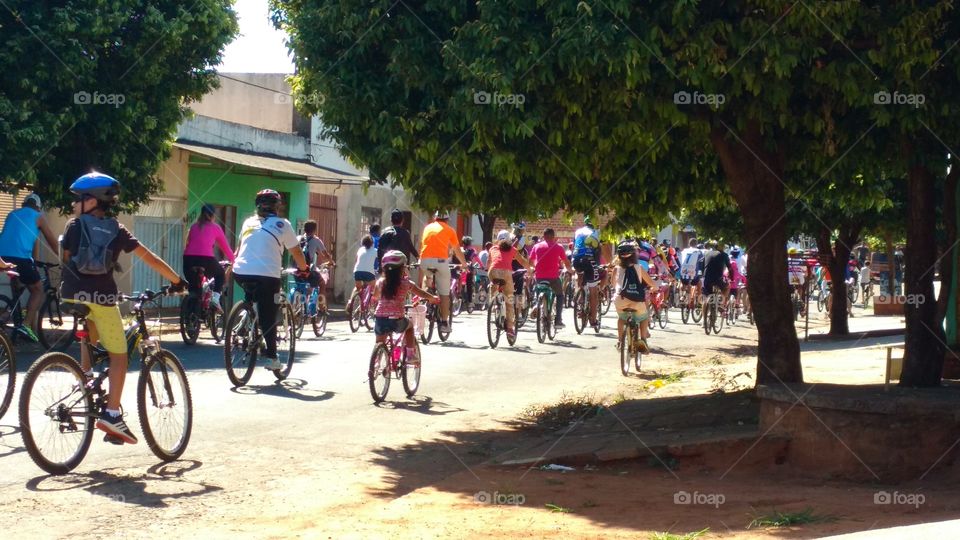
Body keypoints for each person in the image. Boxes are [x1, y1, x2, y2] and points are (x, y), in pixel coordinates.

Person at [60, 172, 187, 444]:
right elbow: (149, 257)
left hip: (71, 295)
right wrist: (176, 280)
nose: (74, 204)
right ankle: (112, 413)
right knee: (119, 357)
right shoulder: (117, 230)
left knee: (89, 332)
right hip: (103, 298)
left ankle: (85, 381)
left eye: (79, 199)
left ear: (93, 201)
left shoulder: (73, 226)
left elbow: (66, 260)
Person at [232, 189, 310, 371]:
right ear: (277, 206)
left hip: (240, 272)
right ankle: (272, 358)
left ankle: (246, 315)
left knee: (253, 294)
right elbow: (296, 252)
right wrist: (304, 269)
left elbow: (238, 249)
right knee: (268, 314)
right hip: (268, 276)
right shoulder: (283, 224)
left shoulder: (248, 222)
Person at [0, 193, 59, 341]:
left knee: (20, 284)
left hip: (2, 257)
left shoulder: (12, 214)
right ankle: (25, 325)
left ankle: (11, 315)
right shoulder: (39, 217)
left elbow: (29, 238)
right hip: (20, 258)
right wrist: (62, 258)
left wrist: (34, 259)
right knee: (38, 289)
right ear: (38, 207)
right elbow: (51, 240)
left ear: (24, 205)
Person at [372, 250, 439, 366]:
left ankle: (376, 362)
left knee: (380, 340)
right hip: (397, 320)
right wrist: (432, 298)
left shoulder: (380, 282)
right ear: (402, 268)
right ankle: (410, 355)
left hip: (380, 319)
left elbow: (376, 297)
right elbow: (421, 293)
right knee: (410, 327)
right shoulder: (406, 283)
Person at [419, 211, 468, 332]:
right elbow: (456, 249)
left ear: (435, 218)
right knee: (444, 293)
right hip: (440, 262)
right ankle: (444, 323)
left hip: (424, 260)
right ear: (447, 220)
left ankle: (425, 299)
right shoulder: (450, 230)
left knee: (428, 277)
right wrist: (464, 264)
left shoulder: (427, 228)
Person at [183, 203, 235, 313]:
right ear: (213, 215)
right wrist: (234, 260)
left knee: (193, 287)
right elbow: (225, 247)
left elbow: (187, 245)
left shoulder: (193, 226)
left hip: (188, 260)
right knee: (220, 274)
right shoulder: (215, 227)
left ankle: (190, 314)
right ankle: (215, 300)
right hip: (206, 260)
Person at [487, 230, 533, 339]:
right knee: (509, 301)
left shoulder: (492, 248)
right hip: (506, 274)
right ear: (509, 240)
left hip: (492, 272)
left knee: (493, 285)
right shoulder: (513, 249)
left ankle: (493, 303)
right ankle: (510, 329)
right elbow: (522, 261)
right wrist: (529, 269)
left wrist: (488, 269)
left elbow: (489, 263)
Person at [614, 241, 658, 353]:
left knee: (622, 318)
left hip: (620, 300)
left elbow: (613, 284)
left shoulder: (616, 269)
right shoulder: (639, 268)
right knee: (643, 318)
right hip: (636, 301)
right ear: (634, 255)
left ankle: (619, 341)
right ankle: (643, 340)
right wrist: (654, 288)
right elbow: (651, 283)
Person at [529, 228, 574, 329]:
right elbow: (566, 262)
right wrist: (571, 271)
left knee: (538, 290)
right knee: (560, 295)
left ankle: (537, 304)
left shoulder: (536, 246)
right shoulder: (559, 247)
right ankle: (558, 320)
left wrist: (532, 269)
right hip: (553, 277)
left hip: (540, 277)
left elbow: (530, 262)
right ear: (554, 237)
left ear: (543, 236)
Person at [298, 220, 336, 310]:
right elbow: (325, 254)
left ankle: (302, 303)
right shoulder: (316, 240)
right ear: (314, 230)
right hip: (308, 270)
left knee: (303, 284)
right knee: (322, 283)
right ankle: (321, 306)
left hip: (297, 269)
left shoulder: (299, 238)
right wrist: (331, 262)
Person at [572, 217, 602, 327]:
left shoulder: (578, 231)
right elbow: (598, 250)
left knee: (579, 277)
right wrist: (598, 265)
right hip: (590, 261)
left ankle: (579, 298)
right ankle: (593, 320)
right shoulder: (596, 233)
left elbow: (574, 246)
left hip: (576, 260)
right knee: (593, 292)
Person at [701, 241, 733, 309]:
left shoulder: (706, 253)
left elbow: (702, 265)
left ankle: (704, 318)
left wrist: (702, 275)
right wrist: (732, 278)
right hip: (718, 279)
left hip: (706, 279)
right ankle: (720, 304)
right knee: (726, 287)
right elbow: (730, 268)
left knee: (706, 297)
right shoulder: (724, 255)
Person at [679, 238, 703, 308]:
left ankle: (682, 296)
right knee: (699, 283)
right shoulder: (699, 251)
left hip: (683, 271)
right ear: (696, 244)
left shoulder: (684, 251)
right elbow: (701, 262)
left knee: (682, 282)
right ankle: (699, 301)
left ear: (689, 244)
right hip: (693, 273)